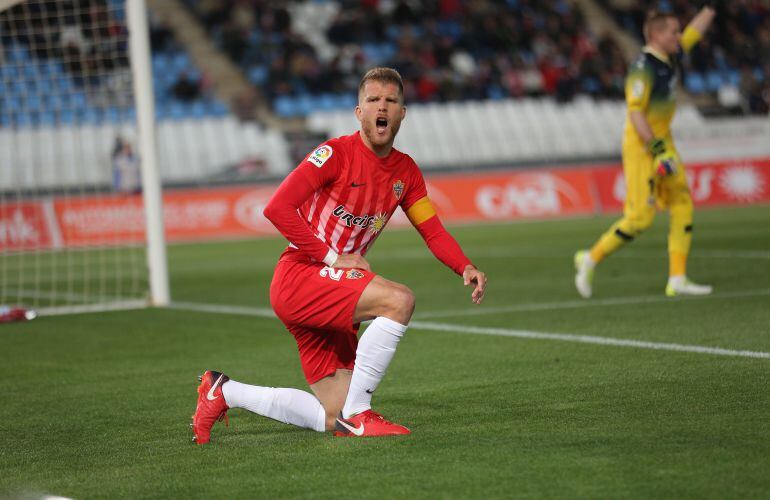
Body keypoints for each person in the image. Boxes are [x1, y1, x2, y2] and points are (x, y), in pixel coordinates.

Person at [191, 67, 487, 443]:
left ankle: (223, 391)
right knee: (399, 301)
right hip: (301, 276)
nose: (382, 107)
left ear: (402, 113)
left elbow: (431, 229)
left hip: (331, 293)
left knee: (335, 416)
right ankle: (362, 415)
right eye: (373, 100)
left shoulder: (406, 172)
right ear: (358, 111)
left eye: (391, 101)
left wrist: (465, 266)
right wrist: (333, 258)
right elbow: (277, 208)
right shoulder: (333, 154)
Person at [574, 7, 716, 299]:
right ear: (656, 35)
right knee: (640, 219)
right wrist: (657, 150)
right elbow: (636, 114)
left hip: (665, 143)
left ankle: (677, 278)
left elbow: (695, 32)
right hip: (644, 147)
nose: (680, 36)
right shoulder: (642, 68)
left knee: (682, 203)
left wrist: (712, 7)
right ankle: (590, 258)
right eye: (674, 32)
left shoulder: (670, 55)